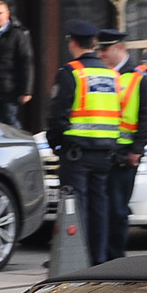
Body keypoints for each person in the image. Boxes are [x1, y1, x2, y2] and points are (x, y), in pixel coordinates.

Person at [47, 19, 121, 265]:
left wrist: (55, 143)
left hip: (77, 154)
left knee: (76, 207)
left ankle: (79, 259)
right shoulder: (111, 75)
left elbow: (58, 114)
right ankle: (98, 259)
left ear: (73, 42)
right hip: (105, 153)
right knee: (100, 207)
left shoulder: (72, 73)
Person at [98, 28, 147, 262]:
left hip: (124, 156)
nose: (101, 54)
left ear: (120, 48)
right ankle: (99, 258)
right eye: (99, 49)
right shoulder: (101, 75)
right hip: (100, 152)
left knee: (117, 210)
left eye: (105, 49)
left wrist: (137, 149)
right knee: (100, 210)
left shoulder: (139, 77)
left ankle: (115, 258)